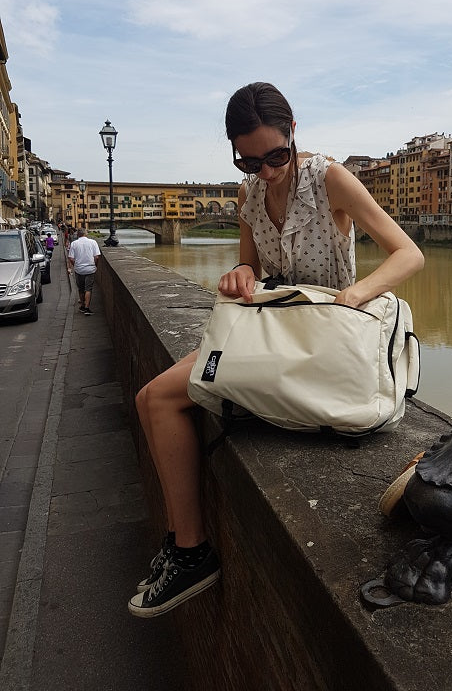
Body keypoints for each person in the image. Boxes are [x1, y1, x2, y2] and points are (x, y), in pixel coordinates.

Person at [129, 82, 425, 618]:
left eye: (276, 156)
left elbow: (408, 254)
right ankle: (185, 547)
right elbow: (253, 267)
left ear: (294, 131)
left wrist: (355, 295)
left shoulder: (330, 177)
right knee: (153, 398)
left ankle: (190, 552)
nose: (266, 171)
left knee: (161, 397)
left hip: (327, 343)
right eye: (250, 162)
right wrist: (240, 274)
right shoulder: (249, 196)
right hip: (273, 335)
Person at [68, 227, 100, 315]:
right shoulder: (93, 242)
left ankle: (82, 305)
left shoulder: (74, 243)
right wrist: (95, 266)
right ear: (86, 234)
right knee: (88, 289)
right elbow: (96, 257)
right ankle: (87, 308)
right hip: (90, 269)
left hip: (79, 270)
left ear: (78, 234)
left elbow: (71, 258)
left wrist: (75, 265)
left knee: (81, 289)